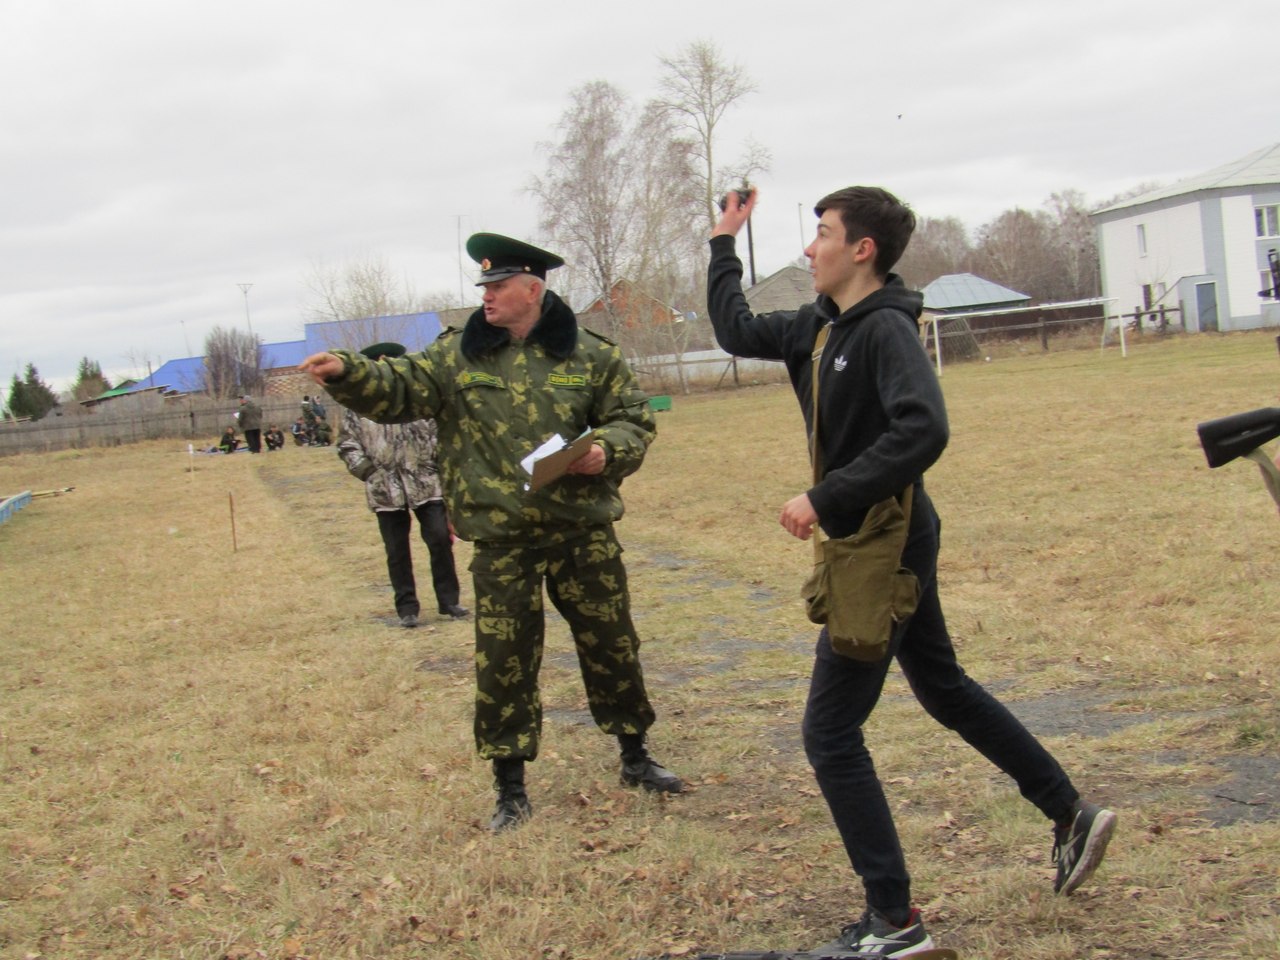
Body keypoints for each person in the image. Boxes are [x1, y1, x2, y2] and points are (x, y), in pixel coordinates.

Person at [707, 186, 1116, 956]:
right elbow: (732, 328)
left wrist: (825, 496)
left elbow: (924, 427)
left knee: (830, 732)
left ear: (862, 250)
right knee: (944, 688)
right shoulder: (817, 327)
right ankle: (1070, 813)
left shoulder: (886, 329)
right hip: (882, 538)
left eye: (823, 234)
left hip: (883, 544)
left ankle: (893, 921)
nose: (809, 248)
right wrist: (723, 242)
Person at [300, 232, 684, 832]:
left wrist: (606, 450)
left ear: (532, 290)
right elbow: (397, 387)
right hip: (502, 539)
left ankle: (635, 755)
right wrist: (348, 372)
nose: (486, 296)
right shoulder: (456, 356)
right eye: (484, 286)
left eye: (498, 285)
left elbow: (632, 419)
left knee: (612, 644)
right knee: (504, 660)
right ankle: (510, 787)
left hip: (581, 532)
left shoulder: (590, 354)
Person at [337, 341, 469, 628]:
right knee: (396, 550)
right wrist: (369, 472)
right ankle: (407, 608)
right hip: (385, 487)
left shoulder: (420, 397)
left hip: (426, 482)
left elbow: (440, 435)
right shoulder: (358, 405)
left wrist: (438, 467)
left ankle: (449, 601)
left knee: (439, 538)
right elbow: (347, 444)